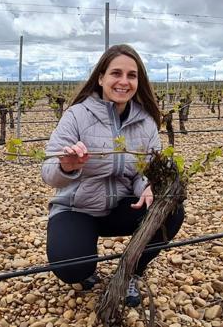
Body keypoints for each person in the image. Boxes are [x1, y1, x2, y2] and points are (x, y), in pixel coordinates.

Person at [41, 44, 185, 307]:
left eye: (132, 75)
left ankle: (131, 272)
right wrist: (68, 167)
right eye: (116, 73)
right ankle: (85, 263)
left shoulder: (147, 122)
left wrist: (146, 186)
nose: (124, 81)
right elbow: (48, 173)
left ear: (138, 81)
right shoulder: (76, 115)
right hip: (78, 208)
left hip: (122, 206)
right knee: (72, 268)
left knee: (171, 209)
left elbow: (146, 171)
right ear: (101, 78)